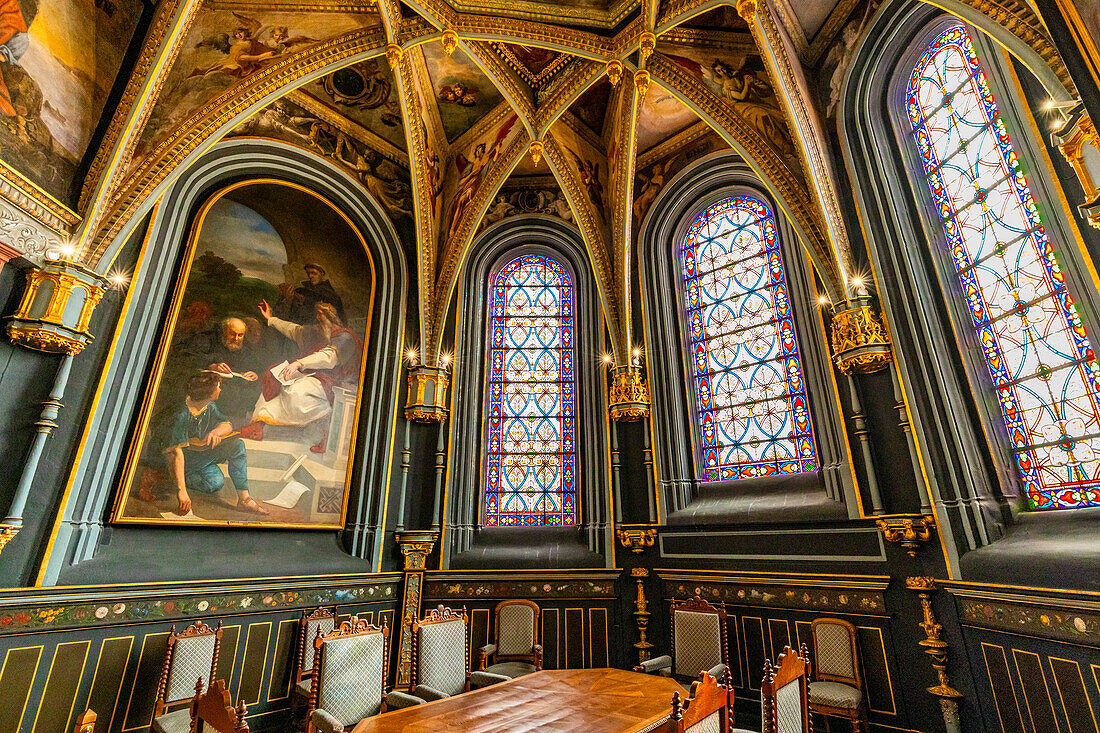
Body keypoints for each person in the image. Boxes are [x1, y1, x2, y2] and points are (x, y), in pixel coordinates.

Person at [241, 300, 362, 453]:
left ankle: (326, 438)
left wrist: (298, 363)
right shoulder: (315, 332)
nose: (318, 318)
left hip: (337, 382)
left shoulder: (345, 337)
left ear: (332, 317)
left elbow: (329, 358)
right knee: (275, 379)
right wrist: (271, 319)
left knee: (297, 391)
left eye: (322, 314)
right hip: (314, 376)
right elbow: (293, 329)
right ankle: (258, 425)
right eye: (317, 314)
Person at [162, 371, 269, 516]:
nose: (220, 389)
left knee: (216, 480)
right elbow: (175, 453)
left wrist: (216, 432)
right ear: (208, 391)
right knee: (210, 479)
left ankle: (244, 500)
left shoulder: (209, 406)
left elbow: (227, 424)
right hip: (183, 461)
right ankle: (174, 479)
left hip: (200, 455)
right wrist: (182, 491)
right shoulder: (181, 414)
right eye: (218, 386)